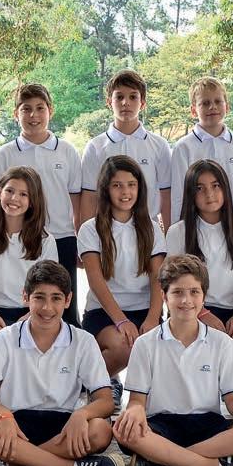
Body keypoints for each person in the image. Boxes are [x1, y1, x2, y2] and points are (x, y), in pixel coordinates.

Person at [113, 255, 233, 466]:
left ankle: (161, 460)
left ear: (204, 296)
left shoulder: (222, 343)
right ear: (164, 296)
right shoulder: (145, 343)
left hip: (207, 425)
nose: (186, 300)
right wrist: (134, 410)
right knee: (124, 432)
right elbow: (137, 401)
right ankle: (216, 465)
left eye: (194, 292)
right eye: (177, 292)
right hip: (162, 425)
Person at [0, 261, 123, 466]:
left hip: (62, 425)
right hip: (14, 424)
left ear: (68, 300)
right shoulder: (5, 337)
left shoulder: (83, 341)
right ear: (25, 297)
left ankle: (7, 462)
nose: (47, 308)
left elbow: (105, 400)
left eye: (56, 298)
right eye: (39, 297)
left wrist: (82, 414)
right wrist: (2, 414)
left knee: (101, 430)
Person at [0, 83, 83, 326]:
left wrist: (80, 242)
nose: (33, 115)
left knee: (65, 310)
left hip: (62, 238)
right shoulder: (4, 154)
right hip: (21, 240)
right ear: (16, 114)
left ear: (50, 111)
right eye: (26, 109)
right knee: (28, 302)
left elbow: (77, 201)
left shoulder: (67, 151)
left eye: (40, 108)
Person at [78, 156, 165, 407]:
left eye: (131, 185)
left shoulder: (151, 228)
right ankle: (94, 382)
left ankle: (139, 397)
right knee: (125, 347)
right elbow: (95, 280)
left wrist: (152, 318)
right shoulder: (90, 229)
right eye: (117, 185)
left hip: (144, 310)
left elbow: (158, 279)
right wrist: (121, 320)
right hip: (104, 312)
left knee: (159, 347)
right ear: (106, 189)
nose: (125, 192)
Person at [165, 161, 233, 376]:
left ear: (225, 189)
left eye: (216, 186)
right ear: (191, 194)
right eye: (200, 188)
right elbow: (173, 286)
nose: (209, 194)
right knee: (204, 346)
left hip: (232, 311)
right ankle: (205, 389)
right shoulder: (178, 232)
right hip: (191, 310)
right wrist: (202, 313)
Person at [0, 167, 58, 348]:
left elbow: (49, 290)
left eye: (23, 194)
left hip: (34, 312)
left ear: (33, 201)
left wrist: (30, 316)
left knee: (32, 341)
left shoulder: (46, 241)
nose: (14, 198)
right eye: (9, 191)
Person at [80, 69, 172, 229]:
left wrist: (169, 236)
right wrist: (87, 238)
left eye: (133, 97)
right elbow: (89, 197)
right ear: (109, 102)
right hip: (107, 231)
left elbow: (166, 195)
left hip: (148, 230)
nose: (125, 103)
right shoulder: (96, 147)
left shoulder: (159, 145)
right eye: (119, 97)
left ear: (143, 103)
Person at [170, 76, 233, 228]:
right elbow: (178, 196)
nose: (212, 107)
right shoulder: (183, 148)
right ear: (193, 110)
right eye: (205, 103)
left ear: (227, 107)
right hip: (198, 229)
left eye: (218, 101)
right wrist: (179, 233)